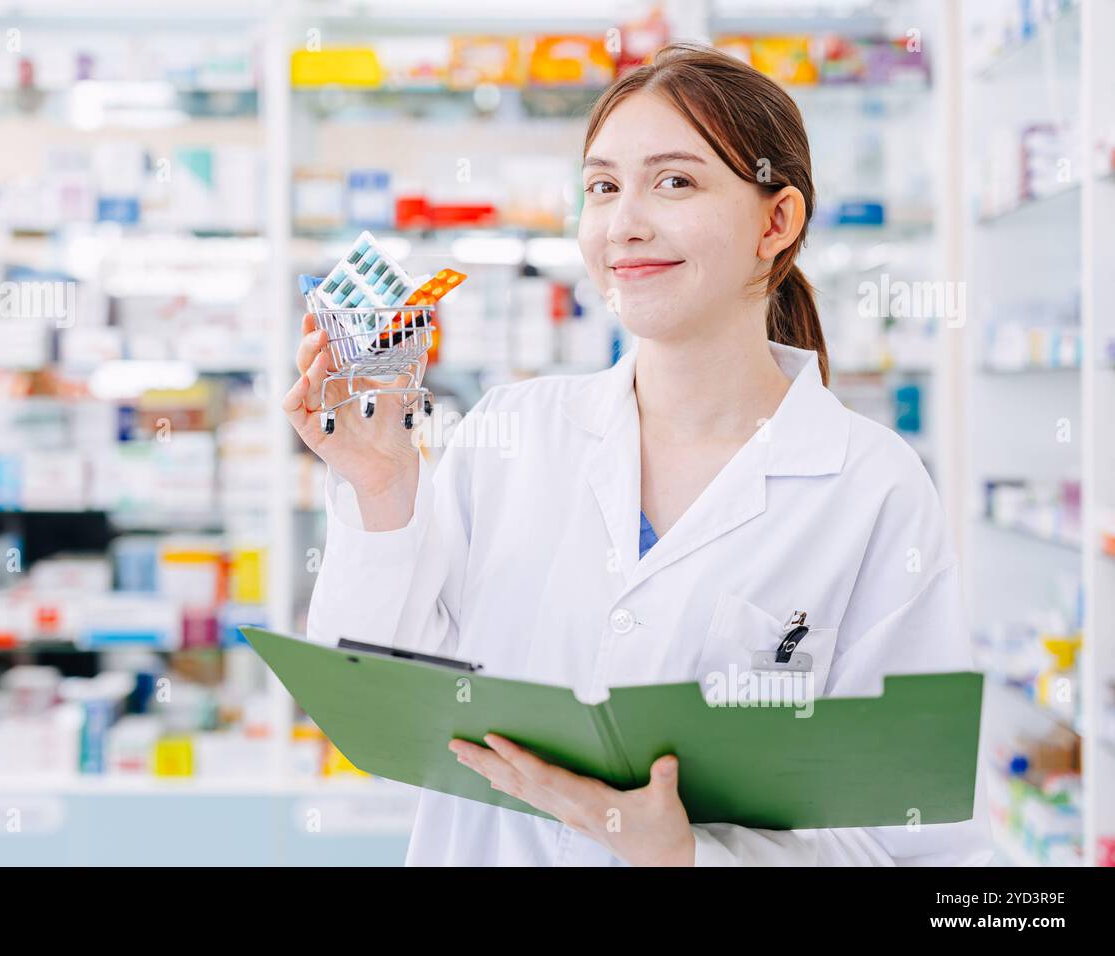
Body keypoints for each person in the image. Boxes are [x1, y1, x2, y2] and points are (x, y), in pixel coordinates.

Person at [283, 42, 993, 867]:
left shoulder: (870, 486)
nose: (625, 223)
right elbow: (375, 701)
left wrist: (689, 857)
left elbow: (922, 844)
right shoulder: (516, 431)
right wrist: (380, 485)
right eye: (603, 187)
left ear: (777, 221)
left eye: (675, 181)